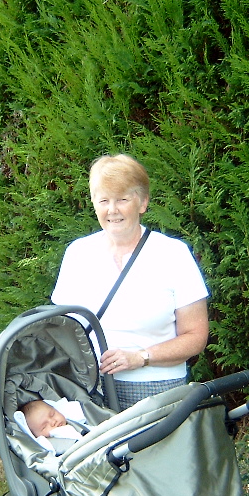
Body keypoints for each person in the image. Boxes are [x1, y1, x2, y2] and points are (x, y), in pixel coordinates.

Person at [51, 154, 210, 411]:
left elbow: (196, 336)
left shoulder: (173, 254)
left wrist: (140, 357)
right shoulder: (77, 253)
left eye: (122, 199)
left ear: (143, 202)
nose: (112, 210)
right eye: (104, 200)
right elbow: (60, 328)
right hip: (88, 390)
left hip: (157, 391)